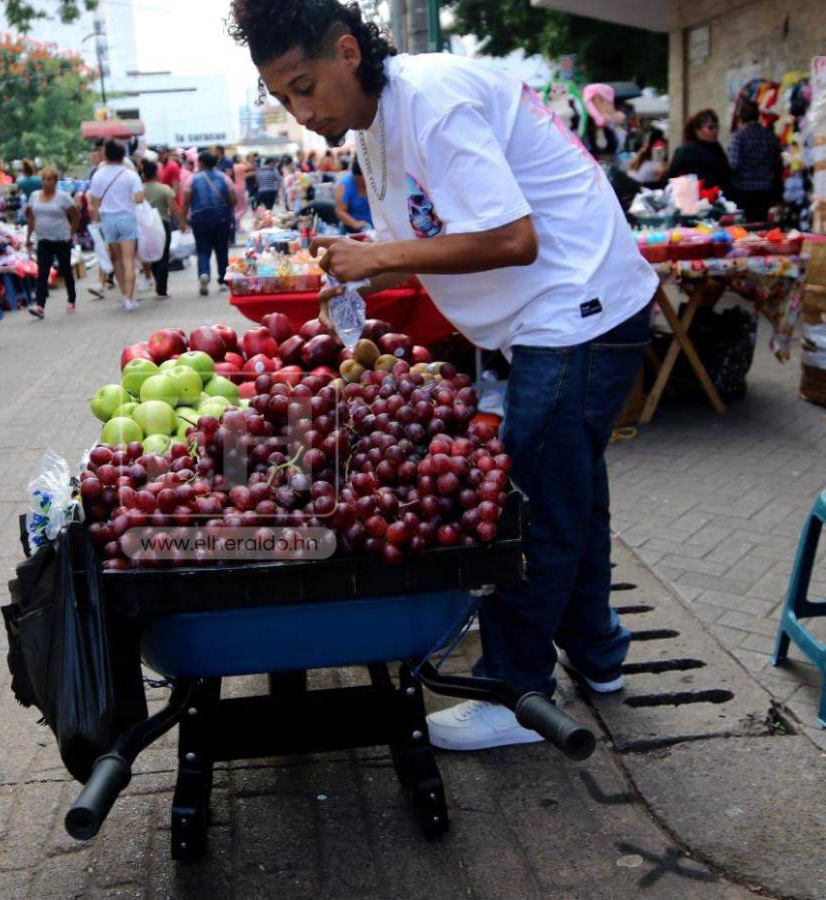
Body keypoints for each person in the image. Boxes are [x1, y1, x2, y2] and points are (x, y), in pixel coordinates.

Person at [230, 0, 658, 751]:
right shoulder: (376, 125)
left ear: (346, 51)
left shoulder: (430, 102)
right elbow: (429, 232)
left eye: (304, 86)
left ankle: (512, 691)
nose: (300, 112)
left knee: (535, 501)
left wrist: (381, 258)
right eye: (282, 97)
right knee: (571, 491)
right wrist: (363, 258)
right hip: (558, 316)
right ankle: (599, 656)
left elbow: (511, 237)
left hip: (574, 309)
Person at [88, 138, 145, 311]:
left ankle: (123, 295)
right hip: (127, 218)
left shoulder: (98, 174)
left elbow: (94, 201)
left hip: (108, 220)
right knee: (129, 260)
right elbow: (139, 198)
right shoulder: (130, 174)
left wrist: (97, 221)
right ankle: (130, 297)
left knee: (117, 260)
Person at [26, 165, 79, 317]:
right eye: (43, 179)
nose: (46, 182)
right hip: (43, 239)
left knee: (65, 270)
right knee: (42, 272)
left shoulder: (63, 197)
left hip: (61, 239)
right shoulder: (34, 196)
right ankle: (40, 306)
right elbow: (31, 217)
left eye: (49, 179)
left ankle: (71, 299)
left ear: (55, 181)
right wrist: (29, 237)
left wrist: (71, 232)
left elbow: (75, 216)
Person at [187, 149, 237, 295]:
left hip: (199, 218)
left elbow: (186, 200)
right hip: (221, 217)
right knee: (222, 250)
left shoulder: (193, 179)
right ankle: (223, 281)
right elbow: (233, 200)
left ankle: (204, 274)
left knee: (202, 249)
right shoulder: (224, 178)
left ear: (201, 163)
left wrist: (183, 220)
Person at [729, 98, 783, 223]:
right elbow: (777, 163)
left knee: (746, 227)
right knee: (762, 225)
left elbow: (733, 164)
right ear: (758, 115)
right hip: (765, 189)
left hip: (743, 190)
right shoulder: (769, 135)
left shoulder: (738, 136)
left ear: (740, 116)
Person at [142, 159, 185, 300]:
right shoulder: (164, 189)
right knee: (163, 257)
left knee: (152, 256)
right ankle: (162, 290)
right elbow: (174, 209)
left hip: (144, 227)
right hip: (162, 225)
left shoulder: (139, 190)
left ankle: (157, 284)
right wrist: (181, 223)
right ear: (156, 173)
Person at [667, 109, 730, 191]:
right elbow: (672, 176)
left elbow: (725, 173)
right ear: (698, 130)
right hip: (691, 197)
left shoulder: (716, 147)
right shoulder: (685, 150)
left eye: (716, 127)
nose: (715, 131)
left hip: (716, 196)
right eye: (710, 127)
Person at [582, 83, 619, 162]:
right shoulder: (582, 129)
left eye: (609, 102)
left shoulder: (609, 129)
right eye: (600, 100)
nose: (607, 106)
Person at [335, 158, 372, 232]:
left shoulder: (372, 181)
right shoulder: (345, 184)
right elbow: (340, 211)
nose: (362, 183)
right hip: (353, 228)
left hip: (372, 227)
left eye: (364, 180)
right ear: (354, 176)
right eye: (359, 180)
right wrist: (355, 224)